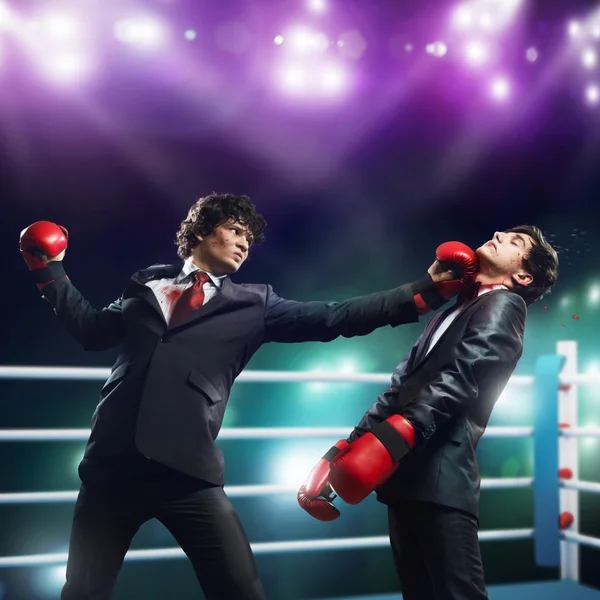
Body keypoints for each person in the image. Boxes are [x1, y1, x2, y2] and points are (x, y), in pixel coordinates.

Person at [19, 192, 474, 600]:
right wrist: (48, 271)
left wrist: (424, 293)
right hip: (111, 466)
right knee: (83, 591)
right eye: (234, 231)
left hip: (187, 473)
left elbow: (336, 317)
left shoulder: (255, 303)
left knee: (240, 591)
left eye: (248, 240)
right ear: (200, 230)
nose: (243, 244)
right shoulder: (146, 285)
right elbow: (91, 331)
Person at [299, 225, 559, 600]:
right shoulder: (452, 311)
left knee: (459, 594)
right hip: (405, 475)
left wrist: (393, 438)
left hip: (441, 478)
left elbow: (463, 377)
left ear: (522, 275)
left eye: (515, 242)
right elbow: (398, 390)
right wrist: (342, 450)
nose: (500, 233)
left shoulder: (506, 304)